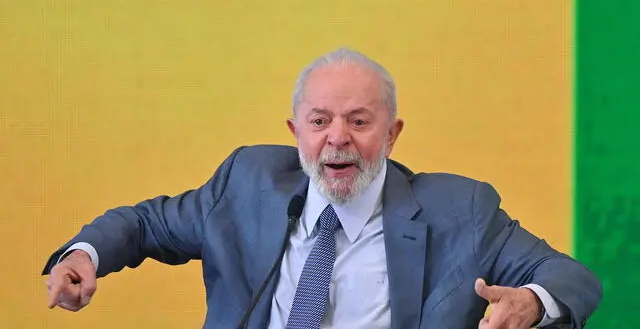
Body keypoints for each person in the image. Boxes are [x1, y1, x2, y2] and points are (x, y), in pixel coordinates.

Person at [43, 48, 602, 329]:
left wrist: (531, 302)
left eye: (359, 122)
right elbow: (147, 223)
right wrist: (85, 254)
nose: (338, 139)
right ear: (295, 132)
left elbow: (571, 277)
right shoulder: (248, 184)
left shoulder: (462, 210)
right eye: (319, 122)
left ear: (392, 135)